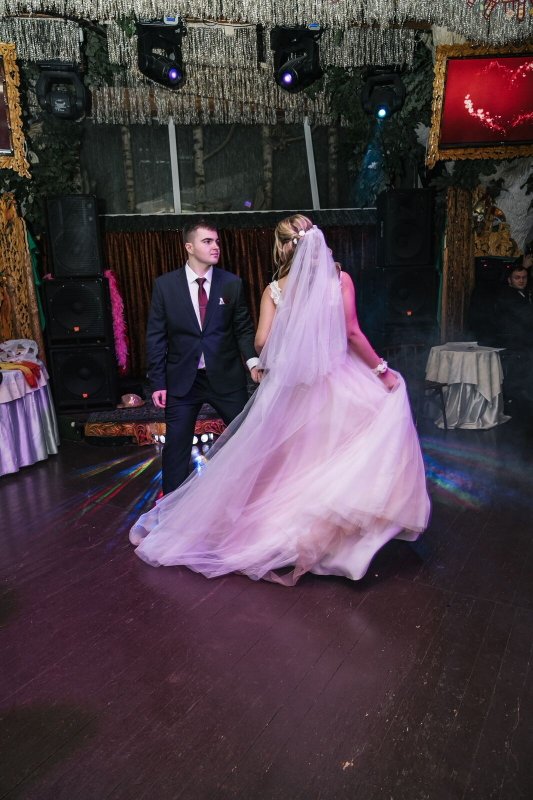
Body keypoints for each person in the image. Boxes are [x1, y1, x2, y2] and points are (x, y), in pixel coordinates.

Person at [131, 215, 430, 585]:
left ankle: (279, 534)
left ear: (283, 247)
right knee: (335, 454)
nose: (215, 246)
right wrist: (382, 371)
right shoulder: (339, 279)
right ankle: (342, 542)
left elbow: (259, 340)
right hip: (337, 381)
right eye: (208, 241)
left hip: (289, 387)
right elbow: (352, 332)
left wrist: (280, 348)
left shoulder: (272, 288)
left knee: (289, 461)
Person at [146, 219, 260, 494]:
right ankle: (171, 507)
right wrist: (158, 382)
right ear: (189, 247)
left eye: (216, 241)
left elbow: (243, 328)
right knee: (176, 446)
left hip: (225, 377)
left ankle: (254, 495)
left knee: (249, 436)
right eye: (207, 241)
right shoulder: (165, 286)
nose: (215, 246)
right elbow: (156, 336)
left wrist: (252, 361)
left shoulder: (231, 284)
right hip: (183, 381)